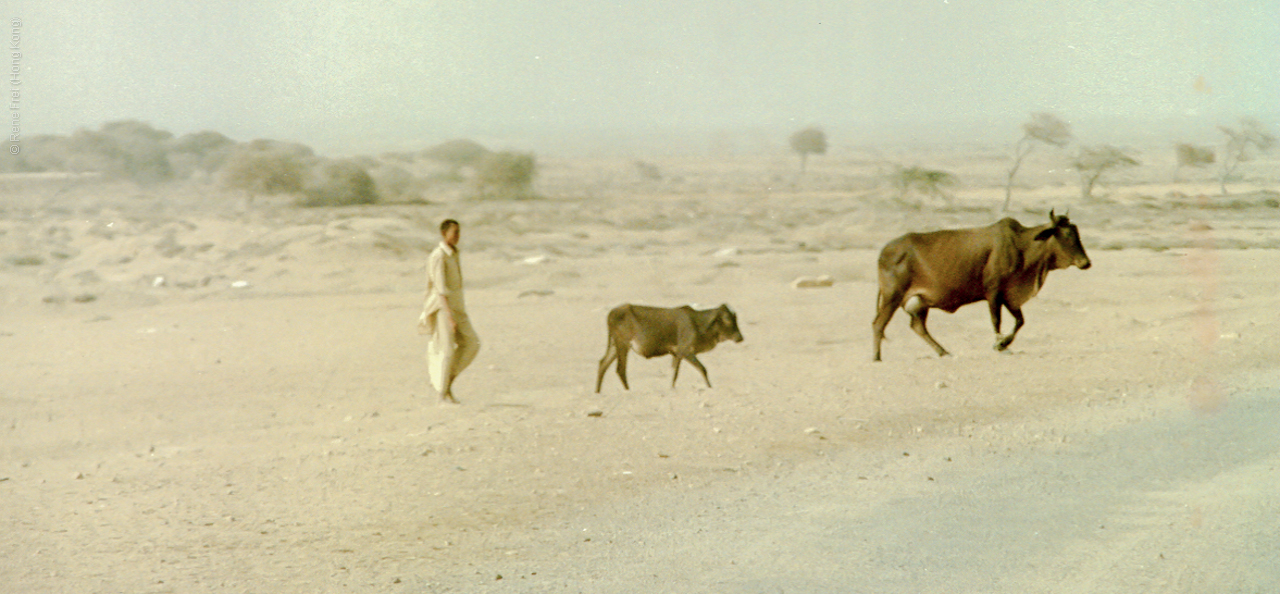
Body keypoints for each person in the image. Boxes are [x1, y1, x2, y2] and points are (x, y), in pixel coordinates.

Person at [418, 219, 480, 403]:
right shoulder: (438, 256)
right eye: (454, 233)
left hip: (458, 308)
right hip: (442, 308)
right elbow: (439, 289)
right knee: (446, 351)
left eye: (459, 232)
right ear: (444, 234)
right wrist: (449, 317)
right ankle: (442, 394)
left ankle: (448, 382)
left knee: (472, 343)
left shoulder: (454, 253)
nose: (457, 236)